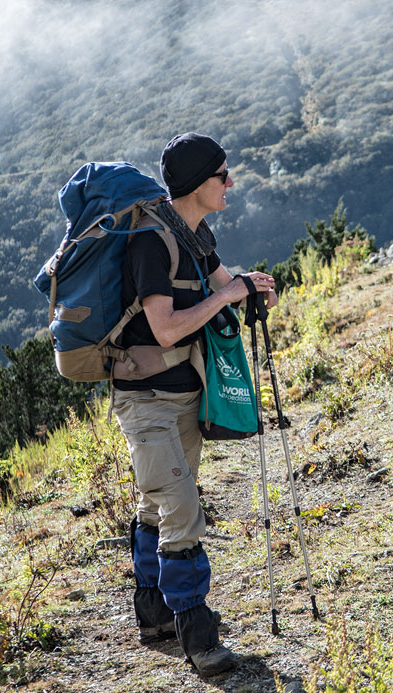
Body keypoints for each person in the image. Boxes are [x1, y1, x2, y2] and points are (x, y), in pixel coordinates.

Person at [115, 132, 276, 675]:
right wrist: (225, 296)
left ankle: (155, 615)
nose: (231, 183)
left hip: (185, 392)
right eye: (223, 175)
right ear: (196, 184)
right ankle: (199, 637)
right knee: (181, 505)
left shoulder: (196, 232)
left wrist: (249, 288)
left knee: (156, 503)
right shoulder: (151, 241)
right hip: (146, 400)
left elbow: (223, 284)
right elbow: (164, 329)